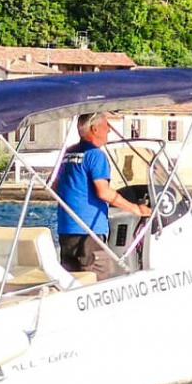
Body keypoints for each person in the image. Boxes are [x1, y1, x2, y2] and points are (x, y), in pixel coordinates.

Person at [51, 111, 146, 281]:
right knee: (95, 278)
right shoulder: (95, 155)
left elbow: (54, 185)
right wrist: (136, 209)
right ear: (95, 129)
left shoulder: (68, 153)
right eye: (106, 125)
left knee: (73, 278)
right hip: (90, 231)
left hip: (66, 229)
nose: (109, 130)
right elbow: (103, 192)